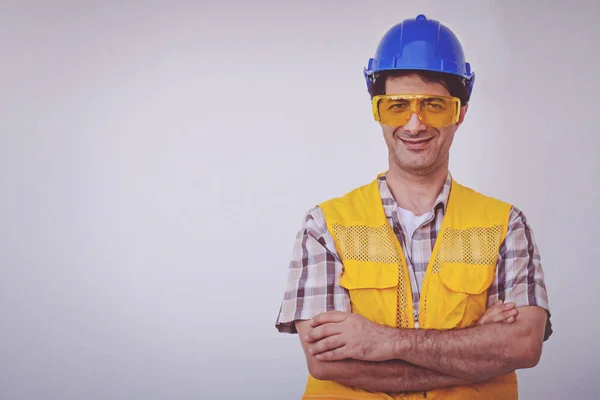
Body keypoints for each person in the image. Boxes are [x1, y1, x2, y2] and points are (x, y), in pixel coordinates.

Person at [275, 14, 552, 399]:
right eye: (397, 106)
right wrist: (475, 346)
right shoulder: (325, 226)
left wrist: (382, 342)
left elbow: (522, 346)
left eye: (435, 105)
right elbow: (327, 362)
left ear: (461, 113)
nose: (415, 124)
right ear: (377, 111)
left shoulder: (505, 225)